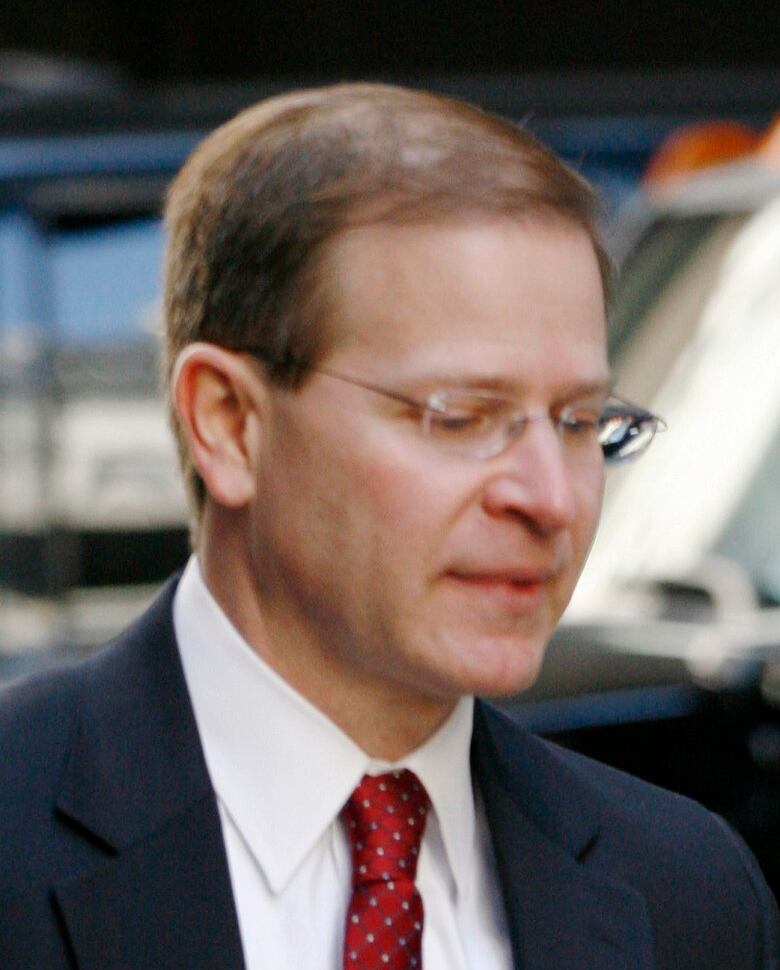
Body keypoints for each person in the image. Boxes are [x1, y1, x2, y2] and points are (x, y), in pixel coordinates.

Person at [0, 83, 777, 970]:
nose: (550, 498)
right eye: (460, 417)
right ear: (228, 422)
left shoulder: (691, 895)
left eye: (579, 422)